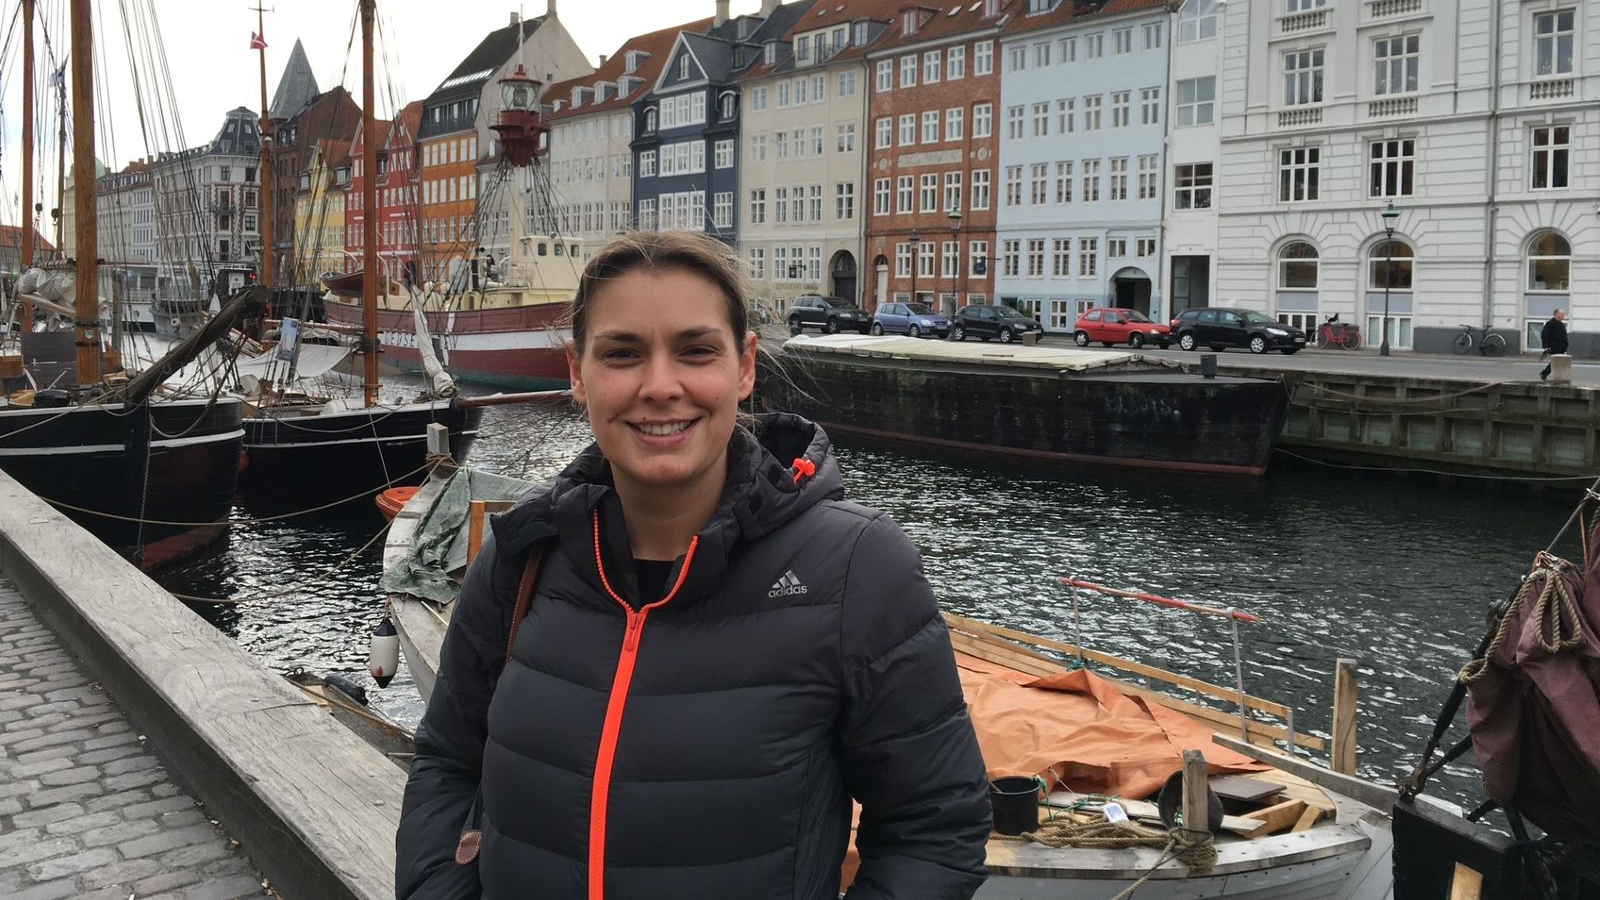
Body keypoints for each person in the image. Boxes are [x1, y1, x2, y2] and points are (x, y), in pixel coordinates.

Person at [396, 231, 992, 900]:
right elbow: (448, 762)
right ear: (576, 373)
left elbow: (934, 829)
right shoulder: (522, 555)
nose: (659, 386)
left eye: (695, 351)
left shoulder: (855, 569)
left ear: (744, 368)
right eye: (622, 354)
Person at [1541, 308, 1569, 381]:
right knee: (1556, 362)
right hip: (1553, 347)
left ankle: (1554, 375)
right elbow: (1545, 335)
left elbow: (1564, 336)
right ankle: (1545, 373)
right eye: (1562, 314)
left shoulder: (1561, 324)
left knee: (1558, 362)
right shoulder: (1550, 323)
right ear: (1557, 314)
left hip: (1561, 347)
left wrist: (1566, 347)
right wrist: (1546, 346)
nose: (1564, 316)